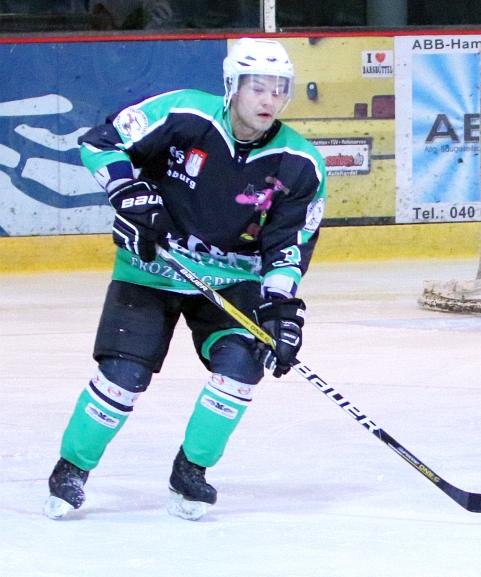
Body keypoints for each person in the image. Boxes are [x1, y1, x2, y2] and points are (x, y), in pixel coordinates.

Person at [43, 38, 326, 521]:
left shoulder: (300, 163)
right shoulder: (183, 114)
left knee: (241, 367)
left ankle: (191, 470)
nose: (269, 100)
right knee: (123, 377)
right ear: (232, 86)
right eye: (258, 88)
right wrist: (128, 192)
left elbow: (288, 246)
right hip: (152, 270)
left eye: (280, 89)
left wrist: (281, 306)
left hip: (231, 283)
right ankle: (72, 468)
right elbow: (100, 141)